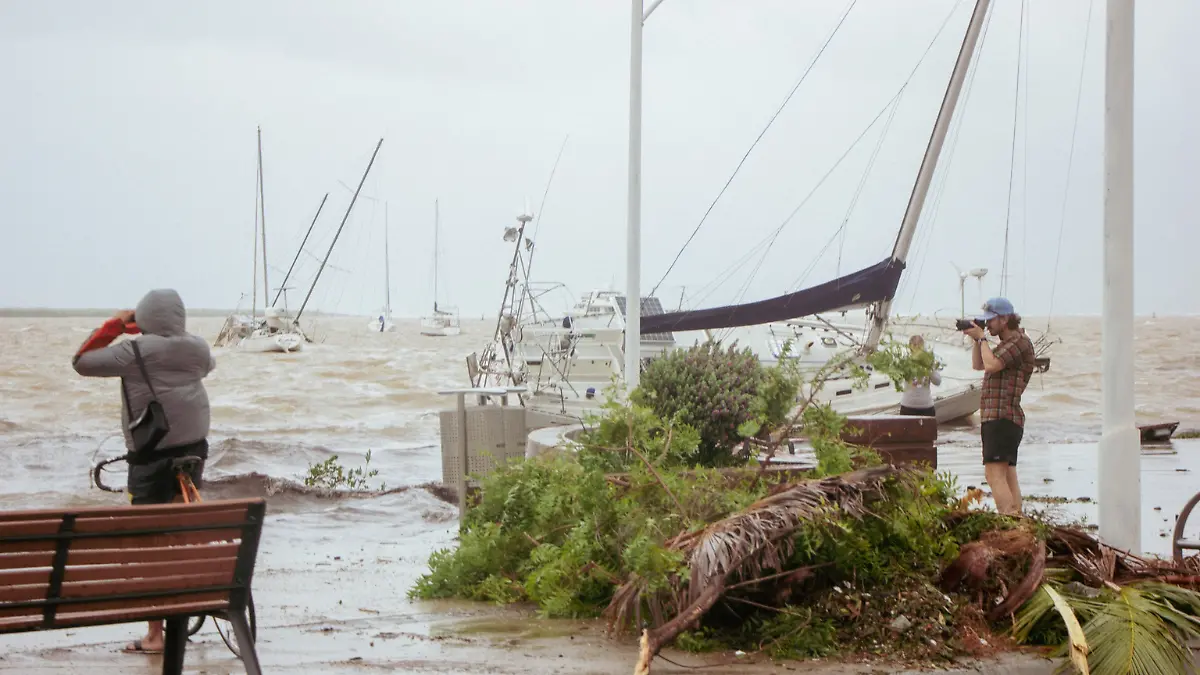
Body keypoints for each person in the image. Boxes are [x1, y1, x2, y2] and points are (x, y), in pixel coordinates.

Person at [72, 289, 215, 655]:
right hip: (194, 453)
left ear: (144, 319)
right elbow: (206, 365)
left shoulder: (132, 351)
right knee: (179, 536)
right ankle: (181, 614)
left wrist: (118, 325)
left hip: (150, 459)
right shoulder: (198, 348)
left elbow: (82, 361)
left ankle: (155, 635)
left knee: (150, 546)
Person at [964, 297, 1036, 515]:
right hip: (1002, 417)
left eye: (991, 320)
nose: (988, 325)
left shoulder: (1019, 342)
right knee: (1007, 474)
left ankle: (1009, 520)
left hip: (1002, 417)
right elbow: (979, 365)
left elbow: (993, 365)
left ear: (1005, 320)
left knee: (994, 474)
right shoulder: (1007, 344)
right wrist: (976, 340)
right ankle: (1017, 521)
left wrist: (982, 338)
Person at [899, 334, 941, 417]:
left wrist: (929, 369)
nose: (917, 347)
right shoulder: (905, 362)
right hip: (908, 406)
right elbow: (898, 378)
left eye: (920, 345)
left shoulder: (929, 362)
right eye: (915, 345)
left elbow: (937, 381)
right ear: (910, 346)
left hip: (926, 407)